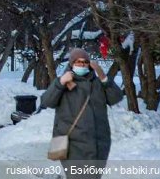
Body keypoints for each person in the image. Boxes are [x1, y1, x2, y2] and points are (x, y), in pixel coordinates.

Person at [40, 48, 123, 179]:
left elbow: (116, 98)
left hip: (99, 142)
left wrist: (103, 77)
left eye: (85, 62)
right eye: (77, 62)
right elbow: (47, 101)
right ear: (71, 64)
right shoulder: (64, 82)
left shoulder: (97, 83)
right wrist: (60, 83)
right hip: (73, 143)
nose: (82, 64)